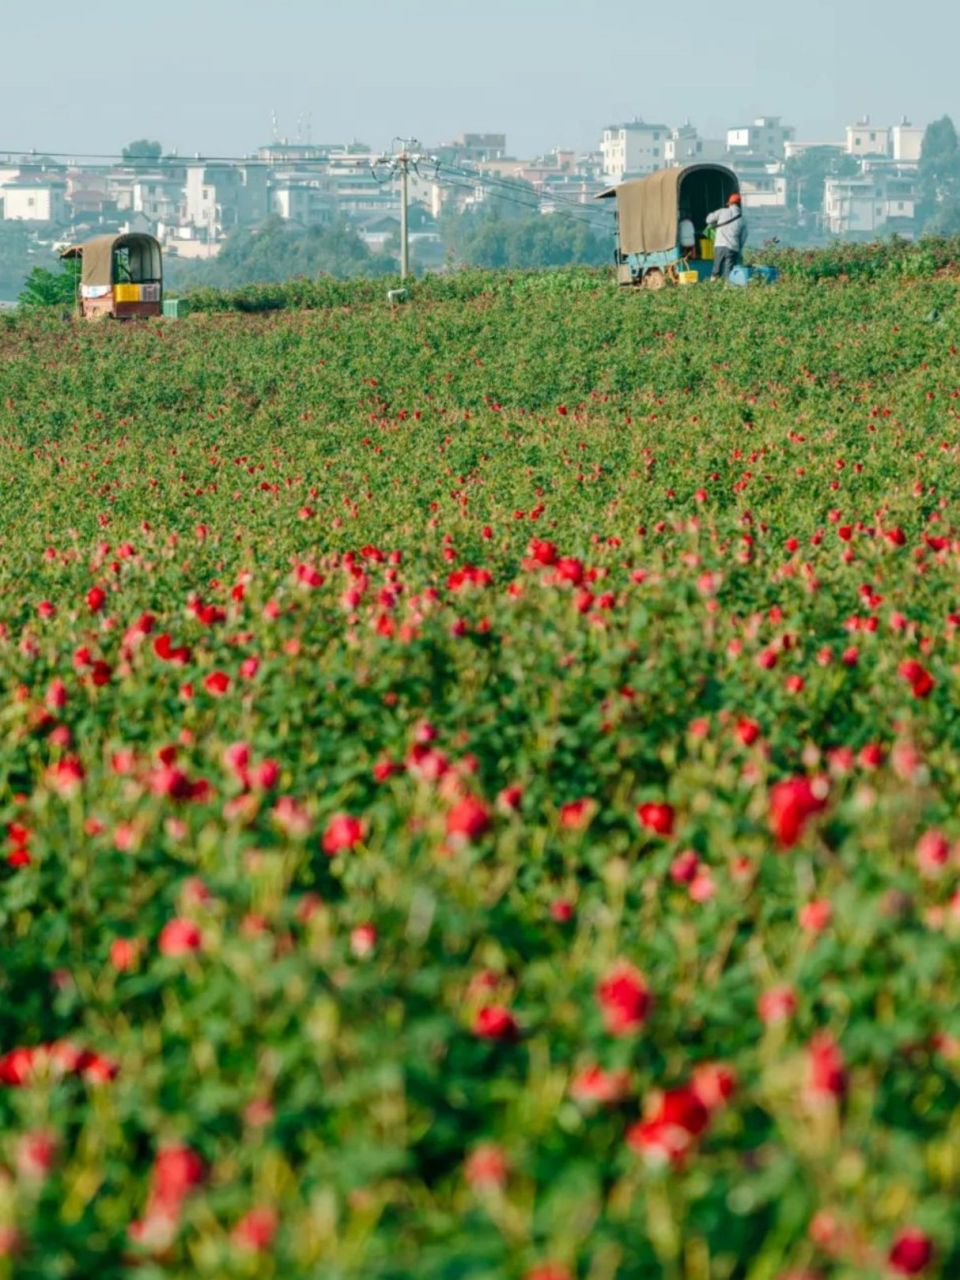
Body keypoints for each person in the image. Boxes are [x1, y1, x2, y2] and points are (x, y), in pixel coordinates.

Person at [706, 193, 747, 282]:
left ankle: (712, 286)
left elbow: (708, 220)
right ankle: (726, 288)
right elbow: (744, 236)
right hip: (733, 247)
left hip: (720, 245)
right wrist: (739, 246)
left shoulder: (722, 211)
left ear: (730, 203)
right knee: (728, 270)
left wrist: (712, 220)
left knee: (716, 268)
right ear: (739, 205)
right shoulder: (742, 219)